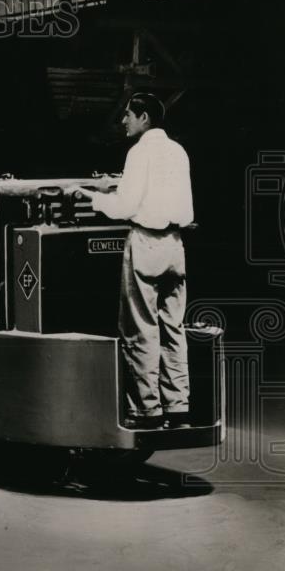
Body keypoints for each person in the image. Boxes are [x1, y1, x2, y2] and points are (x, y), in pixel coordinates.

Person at [75, 93, 194, 430]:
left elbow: (124, 207)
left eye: (128, 115)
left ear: (144, 118)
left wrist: (93, 196)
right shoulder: (178, 151)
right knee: (174, 329)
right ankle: (179, 408)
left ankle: (148, 411)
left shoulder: (139, 153)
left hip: (147, 242)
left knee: (141, 328)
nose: (123, 121)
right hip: (176, 244)